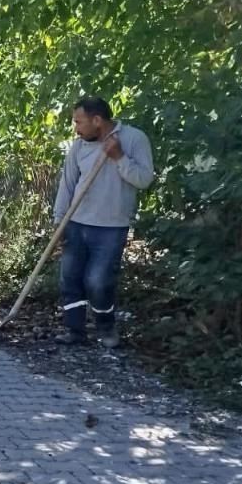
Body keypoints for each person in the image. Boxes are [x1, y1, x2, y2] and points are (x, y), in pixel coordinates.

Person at [53, 95, 154, 348]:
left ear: (97, 120)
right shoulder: (79, 147)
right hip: (76, 223)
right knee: (71, 279)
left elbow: (144, 180)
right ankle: (74, 331)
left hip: (111, 227)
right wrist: (59, 220)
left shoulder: (133, 139)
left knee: (98, 282)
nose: (76, 128)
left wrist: (119, 157)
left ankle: (106, 329)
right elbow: (67, 184)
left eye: (79, 122)